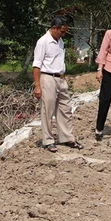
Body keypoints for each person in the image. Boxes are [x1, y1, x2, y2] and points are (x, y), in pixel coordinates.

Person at [33, 15, 82, 153]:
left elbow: (59, 61)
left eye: (65, 31)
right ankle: (48, 140)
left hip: (60, 78)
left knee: (65, 108)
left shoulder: (60, 41)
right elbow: (36, 65)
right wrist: (37, 85)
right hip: (47, 78)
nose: (64, 34)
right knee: (47, 110)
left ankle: (67, 137)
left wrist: (63, 78)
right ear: (54, 28)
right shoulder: (43, 42)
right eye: (62, 31)